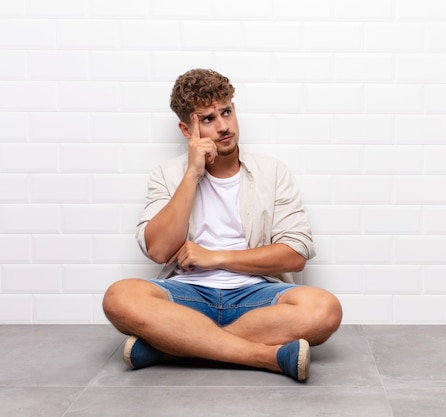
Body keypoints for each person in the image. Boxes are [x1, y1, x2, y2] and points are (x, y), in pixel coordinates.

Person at [102, 68, 342, 382]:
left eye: (226, 112)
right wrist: (192, 175)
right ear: (187, 131)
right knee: (119, 297)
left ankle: (171, 347)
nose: (223, 126)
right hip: (187, 296)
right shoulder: (168, 174)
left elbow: (295, 253)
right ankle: (263, 356)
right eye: (207, 119)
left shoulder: (273, 173)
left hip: (256, 296)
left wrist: (216, 257)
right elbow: (159, 251)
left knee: (325, 308)